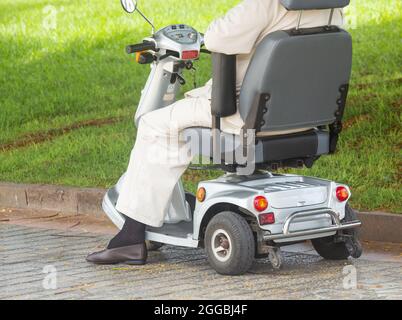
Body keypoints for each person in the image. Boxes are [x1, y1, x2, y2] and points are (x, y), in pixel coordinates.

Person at [86, 0, 343, 265]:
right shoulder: (333, 10)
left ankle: (130, 238)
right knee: (170, 122)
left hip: (242, 116)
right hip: (305, 118)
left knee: (155, 125)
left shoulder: (266, 4)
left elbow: (219, 38)